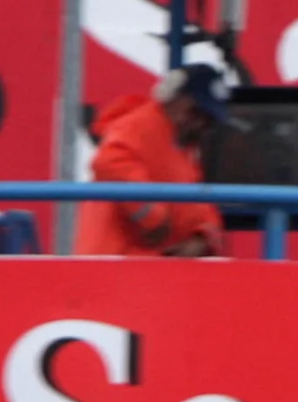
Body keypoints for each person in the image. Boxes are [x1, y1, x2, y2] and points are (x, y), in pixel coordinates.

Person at [82, 66, 225, 258]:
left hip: (151, 265)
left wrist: (201, 237)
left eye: (209, 120)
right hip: (115, 262)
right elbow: (108, 162)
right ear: (173, 98)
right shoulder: (140, 125)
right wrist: (150, 215)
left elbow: (199, 205)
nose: (200, 124)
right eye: (196, 112)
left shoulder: (183, 149)